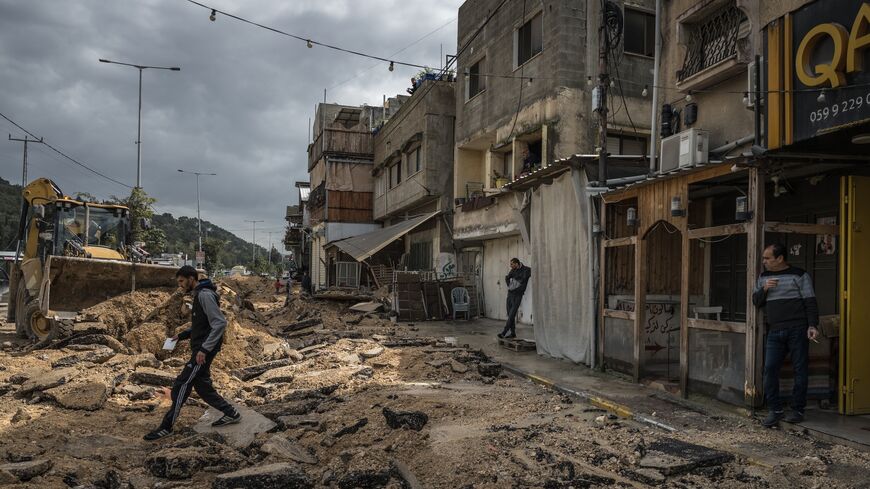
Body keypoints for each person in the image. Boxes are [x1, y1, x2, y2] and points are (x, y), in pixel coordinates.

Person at [144, 266, 241, 441]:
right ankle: (231, 413)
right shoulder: (199, 294)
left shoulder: (204, 295)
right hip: (202, 347)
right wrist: (180, 336)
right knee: (202, 387)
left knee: (183, 383)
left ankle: (166, 427)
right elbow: (201, 326)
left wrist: (204, 350)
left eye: (182, 281)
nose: (180, 285)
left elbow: (219, 323)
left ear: (191, 278)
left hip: (203, 350)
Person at [752, 243, 819, 428]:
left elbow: (810, 301)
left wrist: (812, 325)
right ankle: (776, 410)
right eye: (764, 258)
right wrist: (764, 289)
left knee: (800, 369)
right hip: (774, 330)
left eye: (767, 258)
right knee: (769, 370)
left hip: (798, 329)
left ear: (780, 258)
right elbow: (756, 302)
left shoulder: (799, 275)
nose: (764, 262)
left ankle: (798, 410)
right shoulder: (764, 277)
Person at [498, 258, 531, 339]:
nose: (510, 266)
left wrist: (516, 282)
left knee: (512, 314)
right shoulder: (513, 270)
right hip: (510, 294)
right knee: (510, 314)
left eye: (512, 264)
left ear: (517, 263)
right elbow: (507, 277)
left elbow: (523, 279)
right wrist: (510, 286)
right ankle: (513, 333)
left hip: (518, 295)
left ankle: (504, 332)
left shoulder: (527, 270)